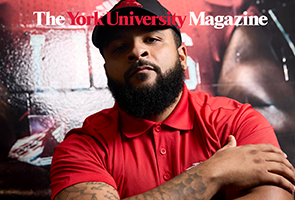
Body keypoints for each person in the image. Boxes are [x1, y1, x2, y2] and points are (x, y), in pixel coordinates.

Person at [50, 0, 295, 199]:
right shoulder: (82, 147)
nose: (137, 51)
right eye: (119, 47)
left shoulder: (238, 121)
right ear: (107, 71)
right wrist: (213, 172)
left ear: (182, 56)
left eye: (151, 39)